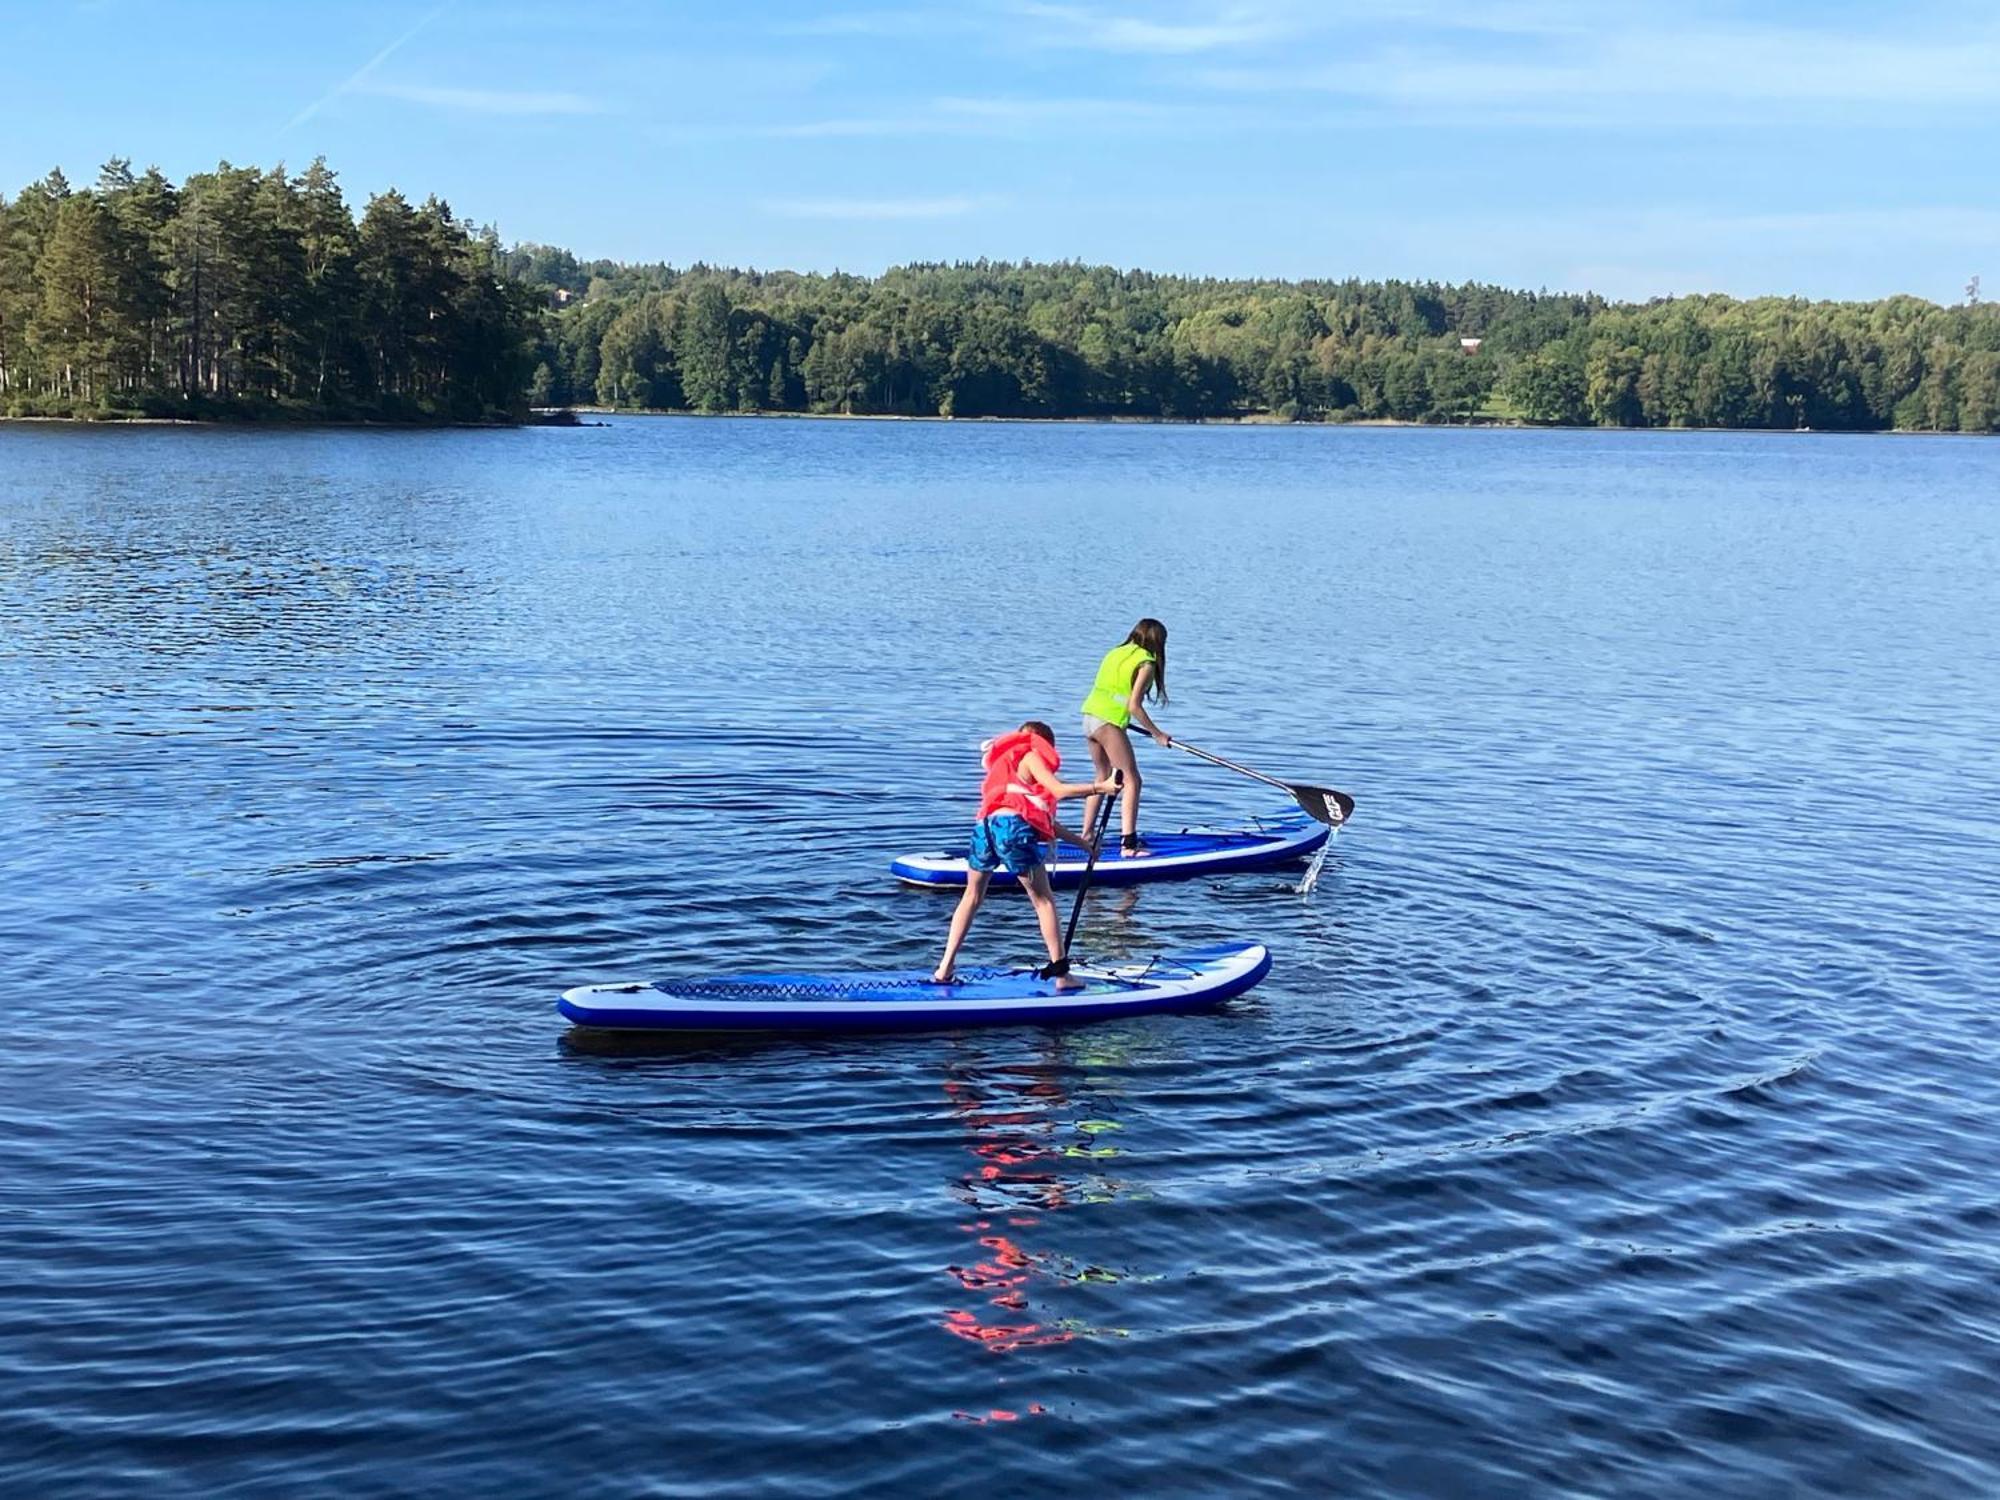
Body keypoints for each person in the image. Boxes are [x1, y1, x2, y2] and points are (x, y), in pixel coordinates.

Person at [933, 721, 1117, 990]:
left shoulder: (1003, 764)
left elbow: (1040, 818)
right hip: (1012, 831)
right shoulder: (1030, 756)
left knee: (971, 897)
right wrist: (1102, 787)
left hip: (985, 827)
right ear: (1042, 742)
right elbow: (1059, 791)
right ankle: (1062, 975)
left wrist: (1083, 844)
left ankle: (944, 968)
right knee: (1044, 901)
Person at [1080, 618, 1170, 858]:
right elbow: (1134, 706)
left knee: (1103, 777)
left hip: (1089, 718)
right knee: (1132, 780)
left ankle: (1086, 836)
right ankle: (1128, 846)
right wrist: (1157, 734)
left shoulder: (1116, 652)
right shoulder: (1146, 662)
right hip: (1108, 723)